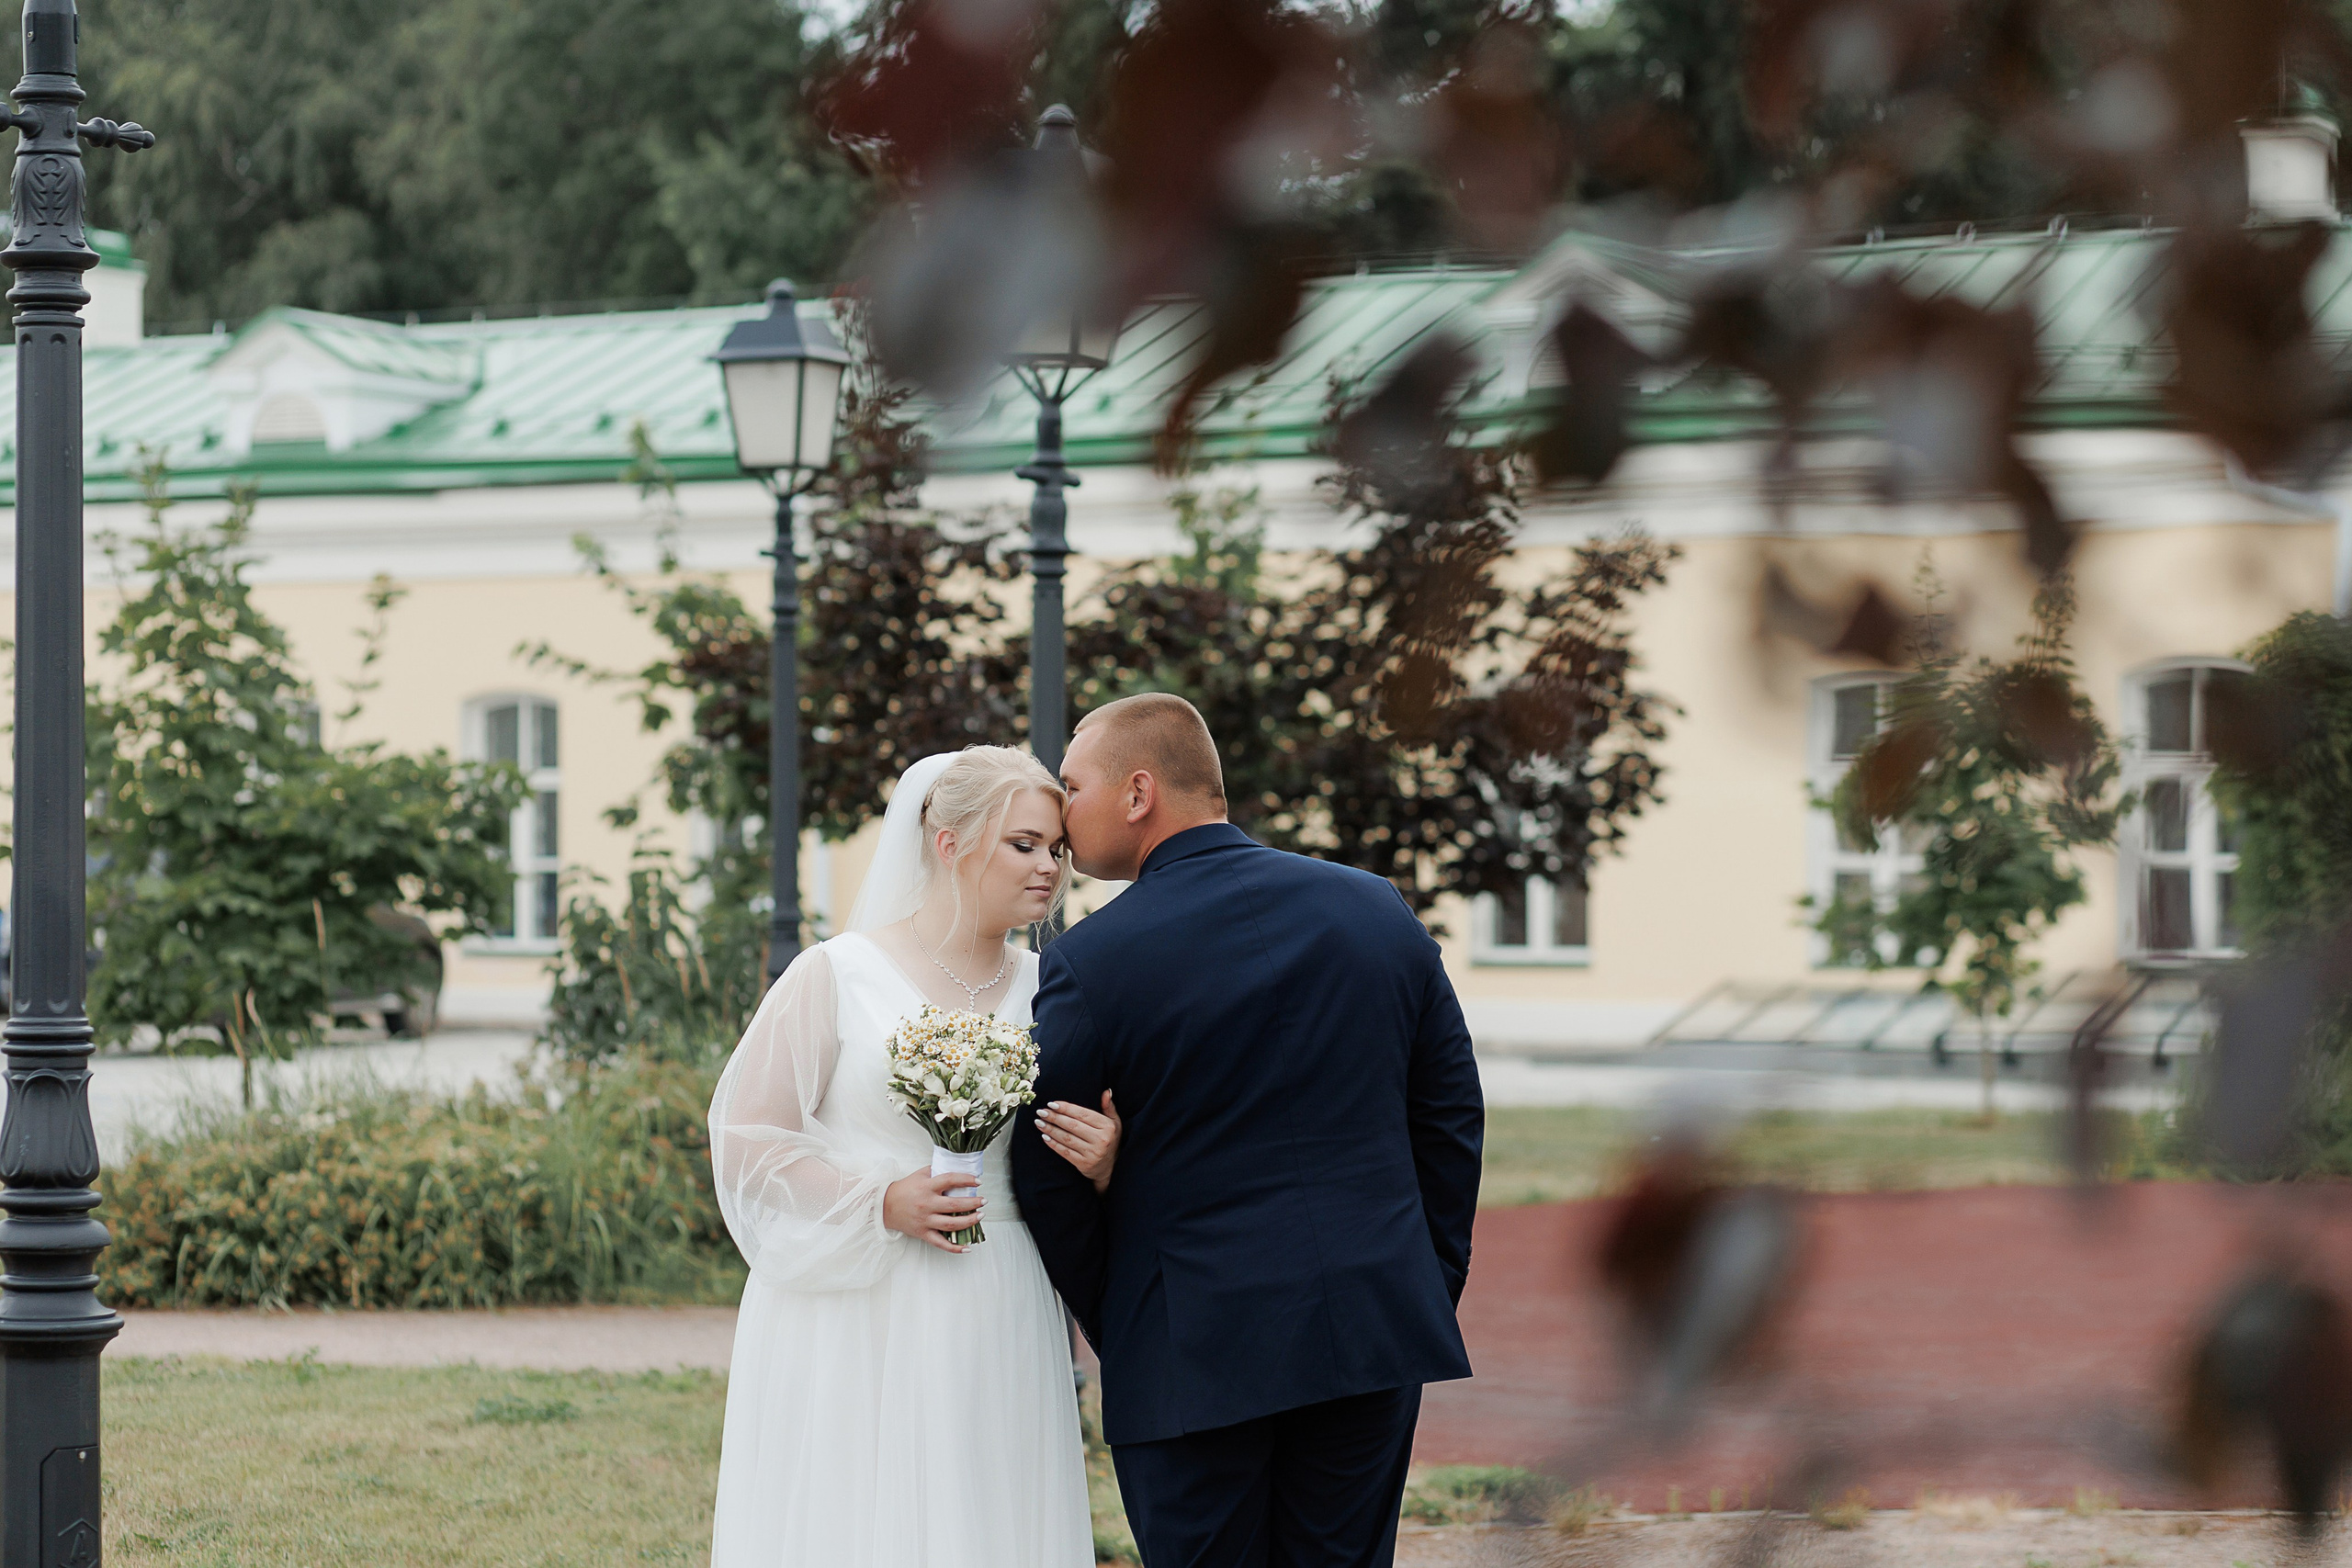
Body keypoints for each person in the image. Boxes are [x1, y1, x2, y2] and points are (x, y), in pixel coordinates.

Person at [1012, 693, 1486, 1568]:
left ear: (1138, 791)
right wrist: (1423, 1273)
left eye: (1072, 785)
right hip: (1372, 1326)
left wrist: (1130, 1320)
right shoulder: (1375, 909)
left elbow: (1045, 1167)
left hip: (1190, 1348)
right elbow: (1449, 1114)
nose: (1061, 817)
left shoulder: (1091, 960)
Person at [706, 746, 1123, 1568]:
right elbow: (749, 1138)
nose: (1048, 869)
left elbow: (1071, 1135)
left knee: (986, 1506)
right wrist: (878, 1200)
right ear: (950, 842)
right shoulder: (836, 973)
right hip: (856, 1301)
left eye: (1056, 849)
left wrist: (1109, 1159)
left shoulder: (1053, 987)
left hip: (996, 1290)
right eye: (1024, 844)